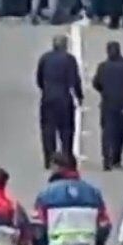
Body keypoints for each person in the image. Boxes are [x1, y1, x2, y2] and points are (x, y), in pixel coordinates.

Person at [36, 35, 83, 168]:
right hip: (64, 97)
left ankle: (49, 157)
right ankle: (66, 155)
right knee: (66, 129)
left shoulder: (45, 58)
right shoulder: (69, 59)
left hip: (48, 97)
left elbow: (39, 78)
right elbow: (75, 80)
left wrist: (45, 88)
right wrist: (79, 96)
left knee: (48, 129)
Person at [93, 41, 123, 171]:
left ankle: (106, 159)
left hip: (107, 103)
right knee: (119, 133)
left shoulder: (102, 67)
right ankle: (116, 159)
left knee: (107, 132)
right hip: (121, 104)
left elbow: (96, 83)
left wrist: (104, 91)